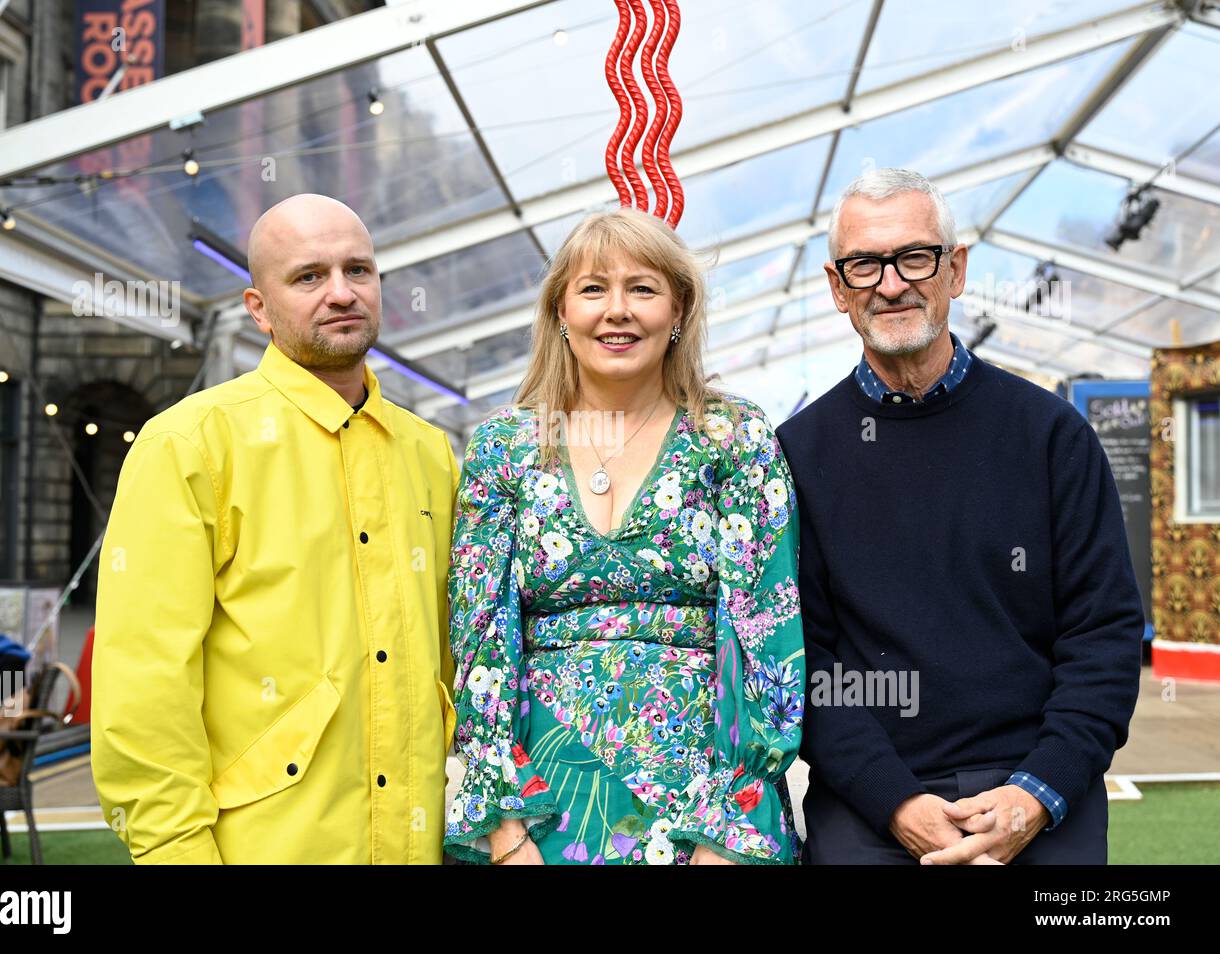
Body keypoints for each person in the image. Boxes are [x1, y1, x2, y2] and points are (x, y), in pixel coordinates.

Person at [776, 168, 1142, 865]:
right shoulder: (795, 458)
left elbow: (1104, 637)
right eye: (865, 265)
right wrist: (897, 804)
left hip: (1036, 783)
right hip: (872, 798)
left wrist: (1035, 794)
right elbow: (802, 661)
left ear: (957, 270)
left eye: (915, 256)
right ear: (836, 287)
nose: (891, 283)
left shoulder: (1052, 437)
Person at [92, 194, 458, 864]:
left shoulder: (430, 454)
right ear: (257, 308)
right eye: (309, 276)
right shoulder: (190, 445)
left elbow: (451, 659)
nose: (341, 293)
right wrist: (176, 851)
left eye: (359, 271)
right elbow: (145, 681)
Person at [442, 207, 805, 865]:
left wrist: (727, 833)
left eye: (642, 288)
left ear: (679, 310)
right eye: (592, 289)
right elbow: (479, 639)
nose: (618, 310)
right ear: (559, 311)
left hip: (708, 807)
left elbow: (766, 633)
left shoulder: (734, 438)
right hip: (541, 807)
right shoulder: (503, 447)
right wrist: (505, 831)